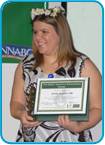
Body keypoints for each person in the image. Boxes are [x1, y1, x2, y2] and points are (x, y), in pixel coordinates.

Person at [10, 7, 102, 142]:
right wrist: (21, 114)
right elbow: (15, 104)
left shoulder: (84, 65)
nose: (38, 37)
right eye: (35, 32)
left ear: (61, 34)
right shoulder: (25, 65)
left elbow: (98, 108)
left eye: (44, 32)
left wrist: (78, 126)